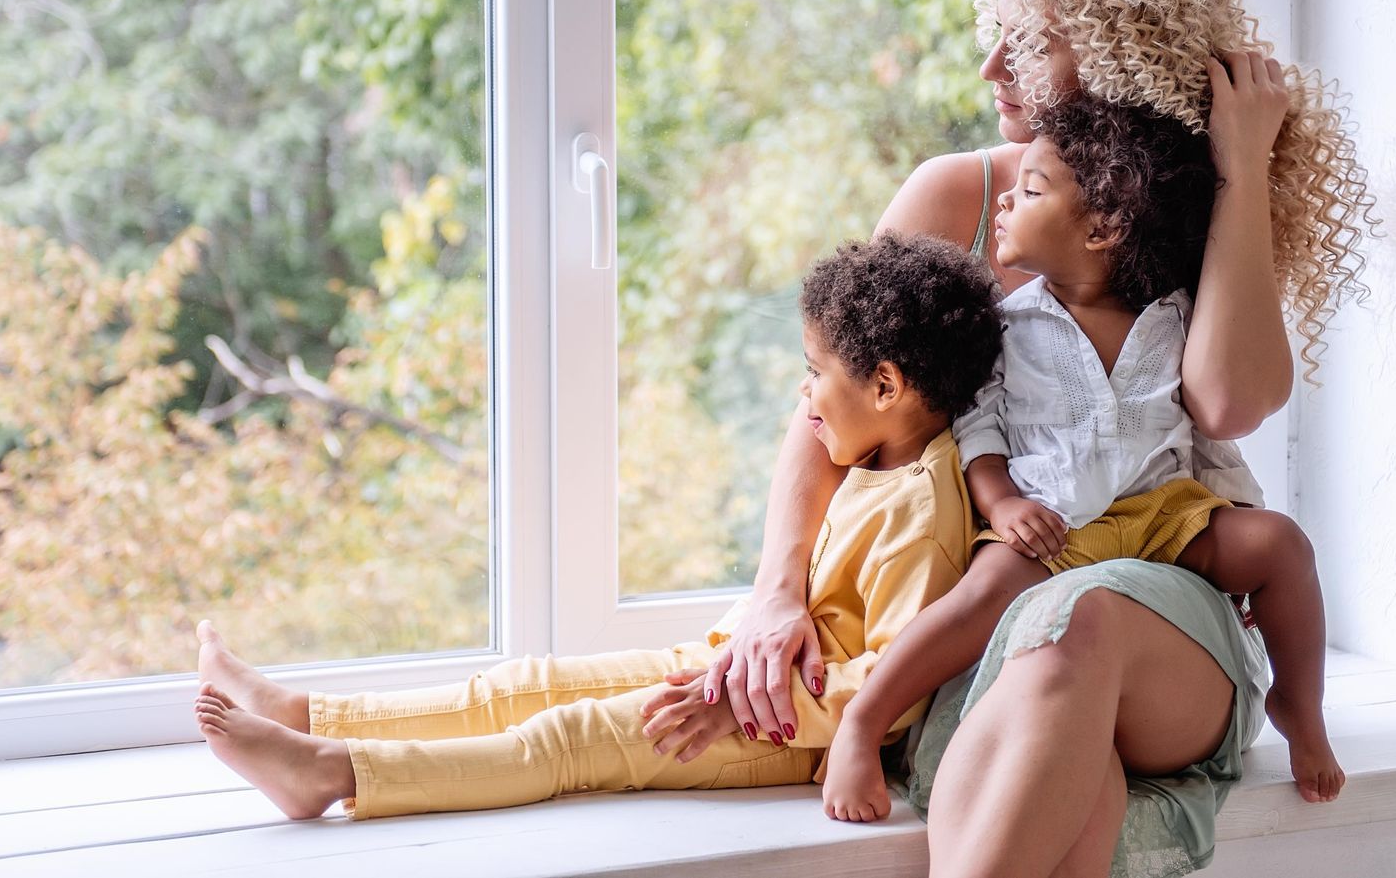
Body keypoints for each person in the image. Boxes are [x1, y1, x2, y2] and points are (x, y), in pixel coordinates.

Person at [642, 0, 1372, 876]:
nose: (991, 64)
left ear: (1120, 55)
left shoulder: (1182, 220)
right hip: (987, 643)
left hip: (1168, 617)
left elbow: (1229, 402)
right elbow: (825, 412)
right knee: (1068, 757)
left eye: (1027, 41)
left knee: (1087, 617)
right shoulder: (960, 197)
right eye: (996, 32)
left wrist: (1241, 177)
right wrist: (777, 594)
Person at [189, 233, 1003, 821]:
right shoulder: (867, 457)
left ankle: (335, 772)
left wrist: (733, 709)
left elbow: (890, 686)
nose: (804, 398)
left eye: (814, 374)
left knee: (566, 739)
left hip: (768, 728)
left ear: (888, 385)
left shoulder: (921, 514)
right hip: (720, 674)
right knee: (527, 685)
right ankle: (303, 713)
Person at [819, 94, 1342, 829]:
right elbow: (979, 426)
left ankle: (1300, 704)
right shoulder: (1007, 324)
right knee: (973, 602)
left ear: (1103, 227)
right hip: (1052, 519)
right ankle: (863, 724)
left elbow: (1226, 392)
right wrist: (1001, 503)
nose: (1008, 197)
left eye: (1031, 190)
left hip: (1165, 516)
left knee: (1283, 544)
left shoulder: (1174, 311)